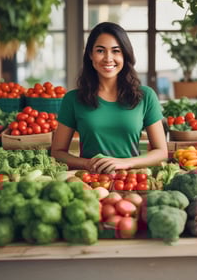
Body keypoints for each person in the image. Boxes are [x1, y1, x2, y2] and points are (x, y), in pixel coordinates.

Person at [51, 22, 168, 173]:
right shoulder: (73, 99)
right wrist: (86, 164)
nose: (108, 58)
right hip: (89, 181)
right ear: (90, 55)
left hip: (131, 180)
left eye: (116, 51)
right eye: (100, 51)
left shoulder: (146, 96)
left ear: (125, 55)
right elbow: (57, 152)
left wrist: (125, 163)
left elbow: (161, 152)